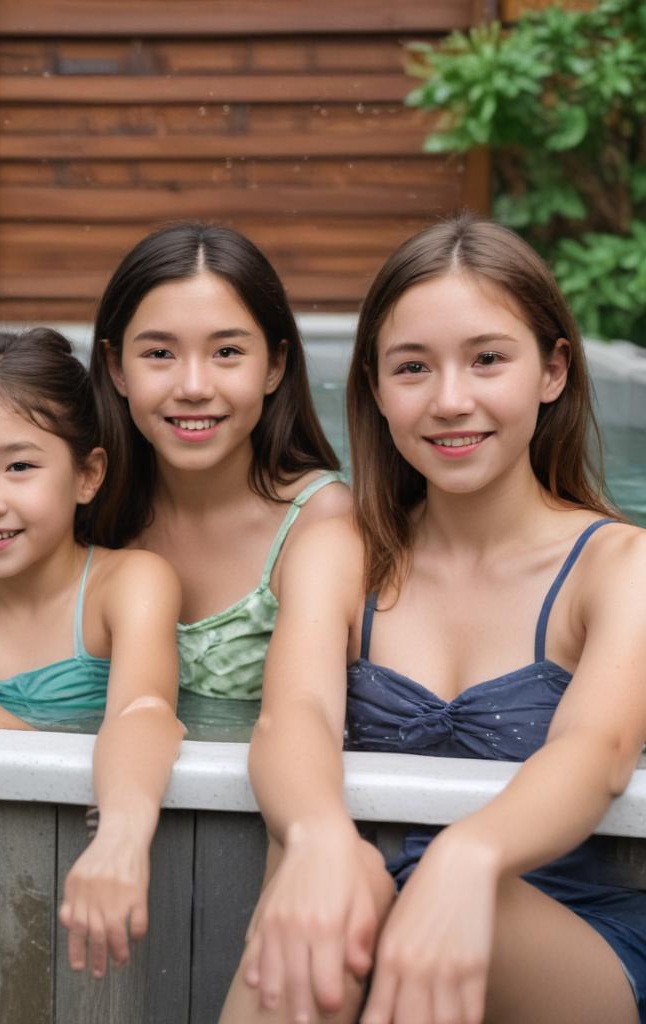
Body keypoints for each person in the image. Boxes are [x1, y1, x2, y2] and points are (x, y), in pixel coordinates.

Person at [222, 214, 646, 1024]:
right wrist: (315, 837)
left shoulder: (620, 566)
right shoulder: (341, 549)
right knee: (337, 884)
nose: (452, 402)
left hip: (575, 948)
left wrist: (466, 857)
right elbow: (295, 716)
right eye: (413, 368)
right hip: (368, 906)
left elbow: (598, 752)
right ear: (376, 390)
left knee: (372, 896)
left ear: (553, 370)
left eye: (488, 359)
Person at [0, 328, 184, 977]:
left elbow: (143, 709)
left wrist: (120, 829)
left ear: (88, 475)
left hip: (121, 852)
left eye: (19, 466)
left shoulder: (130, 582)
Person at [89, 222, 351, 703]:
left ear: (274, 366)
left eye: (227, 352)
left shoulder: (320, 522)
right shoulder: (86, 508)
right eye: (160, 353)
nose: (193, 387)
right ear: (116, 368)